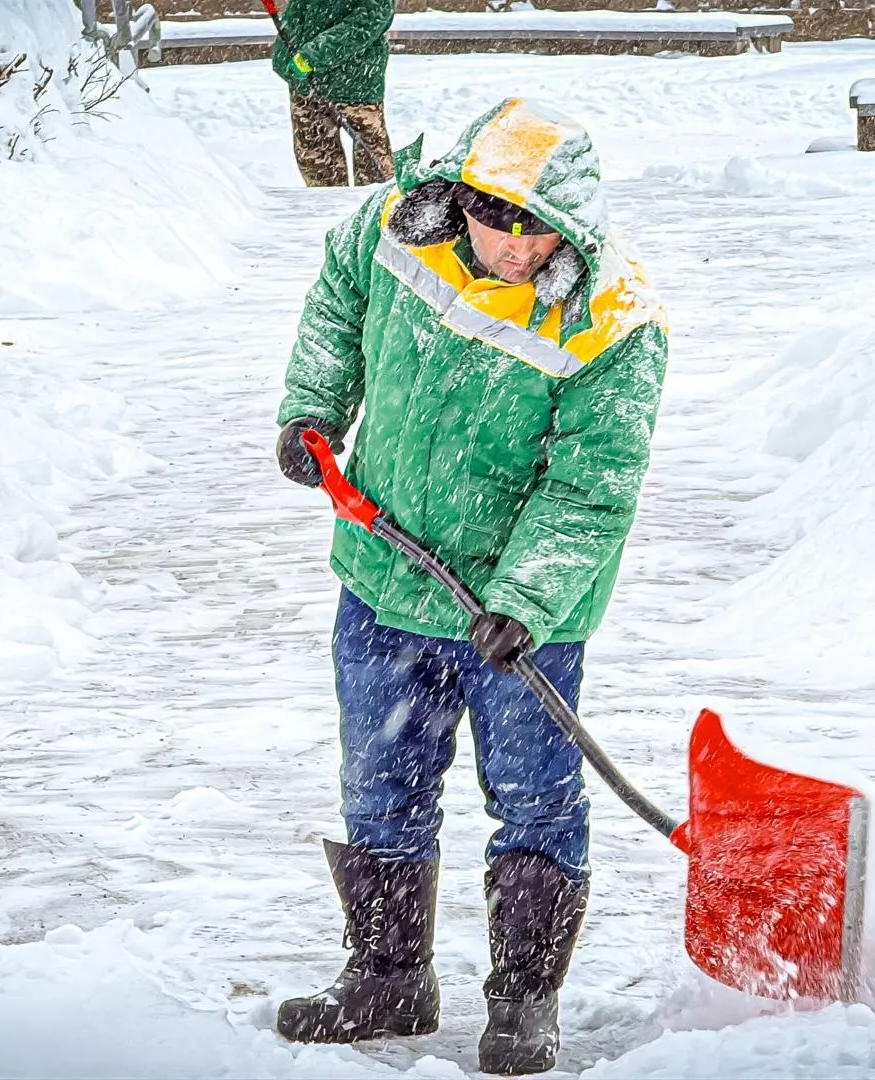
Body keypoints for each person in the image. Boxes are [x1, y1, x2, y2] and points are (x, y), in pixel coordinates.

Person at [272, 98, 668, 1075]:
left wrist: (524, 600)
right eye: (492, 218)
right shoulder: (396, 235)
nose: (508, 243)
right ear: (457, 202)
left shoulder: (615, 322)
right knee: (382, 783)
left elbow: (590, 484)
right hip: (386, 571)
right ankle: (389, 974)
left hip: (519, 616)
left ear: (567, 227)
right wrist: (313, 410)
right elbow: (338, 296)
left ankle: (526, 998)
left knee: (534, 796)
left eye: (533, 230)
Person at [270, 0, 396, 187]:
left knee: (375, 175)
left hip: (357, 84)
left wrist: (314, 55)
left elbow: (366, 23)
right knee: (319, 170)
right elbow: (298, 13)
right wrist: (283, 55)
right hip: (308, 87)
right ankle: (327, 214)